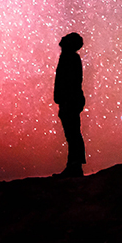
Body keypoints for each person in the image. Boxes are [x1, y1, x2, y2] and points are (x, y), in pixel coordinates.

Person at [53, 32, 86, 178]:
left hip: (70, 101)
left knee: (72, 133)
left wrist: (65, 99)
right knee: (72, 133)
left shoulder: (70, 58)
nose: (61, 38)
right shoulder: (69, 57)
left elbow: (70, 82)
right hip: (70, 100)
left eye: (66, 38)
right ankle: (73, 165)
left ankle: (75, 166)